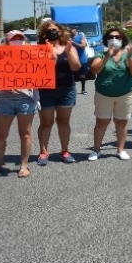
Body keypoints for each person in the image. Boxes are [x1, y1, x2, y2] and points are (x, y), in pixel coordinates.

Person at [0, 30, 39, 178]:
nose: (17, 41)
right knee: (1, 135)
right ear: (7, 41)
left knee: (25, 134)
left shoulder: (33, 55)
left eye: (20, 39)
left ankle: (24, 166)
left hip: (26, 99)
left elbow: (41, 73)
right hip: (5, 99)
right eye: (14, 39)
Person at [87, 28, 132, 161]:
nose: (114, 39)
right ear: (107, 39)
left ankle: (120, 150)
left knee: (121, 122)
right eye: (111, 37)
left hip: (125, 94)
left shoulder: (130, 54)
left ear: (123, 40)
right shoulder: (100, 54)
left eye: (118, 37)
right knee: (102, 122)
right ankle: (96, 150)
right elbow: (95, 70)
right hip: (104, 94)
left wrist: (129, 58)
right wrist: (107, 56)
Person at [36, 20, 82, 165]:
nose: (53, 32)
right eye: (49, 30)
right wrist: (48, 53)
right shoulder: (38, 48)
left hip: (66, 89)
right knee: (46, 122)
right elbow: (36, 70)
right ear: (44, 33)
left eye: (55, 29)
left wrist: (68, 53)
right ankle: (43, 152)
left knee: (63, 121)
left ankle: (65, 150)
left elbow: (76, 67)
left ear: (61, 32)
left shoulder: (68, 47)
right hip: (45, 90)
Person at [69, 27, 90, 95]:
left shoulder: (81, 36)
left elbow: (83, 46)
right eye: (70, 32)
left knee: (82, 75)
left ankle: (83, 89)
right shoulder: (69, 38)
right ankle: (71, 89)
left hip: (81, 59)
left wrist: (74, 43)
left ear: (75, 31)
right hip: (72, 59)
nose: (71, 33)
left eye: (72, 32)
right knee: (71, 75)